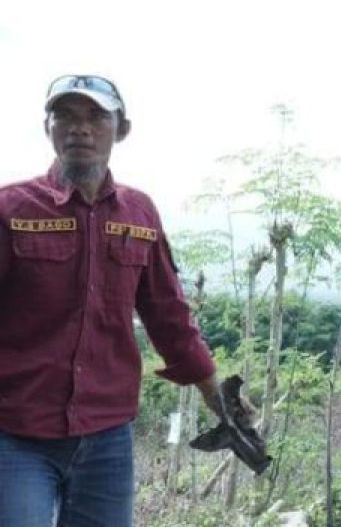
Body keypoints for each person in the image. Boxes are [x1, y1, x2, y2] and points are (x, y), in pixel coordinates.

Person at [0, 74, 224, 527]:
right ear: (49, 128)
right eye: (64, 116)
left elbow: (168, 315)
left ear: (122, 129)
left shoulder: (139, 214)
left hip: (106, 437)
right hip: (16, 433)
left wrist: (216, 394)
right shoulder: (12, 210)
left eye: (96, 117)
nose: (79, 128)